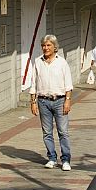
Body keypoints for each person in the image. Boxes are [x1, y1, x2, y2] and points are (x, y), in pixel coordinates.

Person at [29, 34, 74, 171]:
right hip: (43, 101)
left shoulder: (62, 62)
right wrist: (33, 102)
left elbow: (68, 84)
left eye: (48, 45)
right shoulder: (38, 62)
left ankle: (65, 159)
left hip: (59, 100)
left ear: (55, 47)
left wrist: (67, 101)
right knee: (47, 132)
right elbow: (33, 83)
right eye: (43, 45)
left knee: (63, 132)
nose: (45, 48)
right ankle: (52, 158)